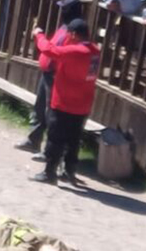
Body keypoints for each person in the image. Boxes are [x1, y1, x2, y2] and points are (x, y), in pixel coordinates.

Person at [30, 19, 100, 185]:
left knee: (55, 138)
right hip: (82, 105)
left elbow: (48, 49)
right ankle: (69, 172)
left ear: (74, 34)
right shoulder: (95, 51)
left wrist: (38, 34)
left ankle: (49, 173)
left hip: (64, 103)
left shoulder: (76, 51)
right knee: (73, 141)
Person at [15, 0, 83, 156]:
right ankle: (33, 140)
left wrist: (39, 36)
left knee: (52, 114)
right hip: (47, 73)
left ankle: (50, 151)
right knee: (39, 109)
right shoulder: (64, 26)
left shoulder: (75, 30)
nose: (61, 11)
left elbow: (54, 50)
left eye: (64, 9)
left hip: (58, 77)